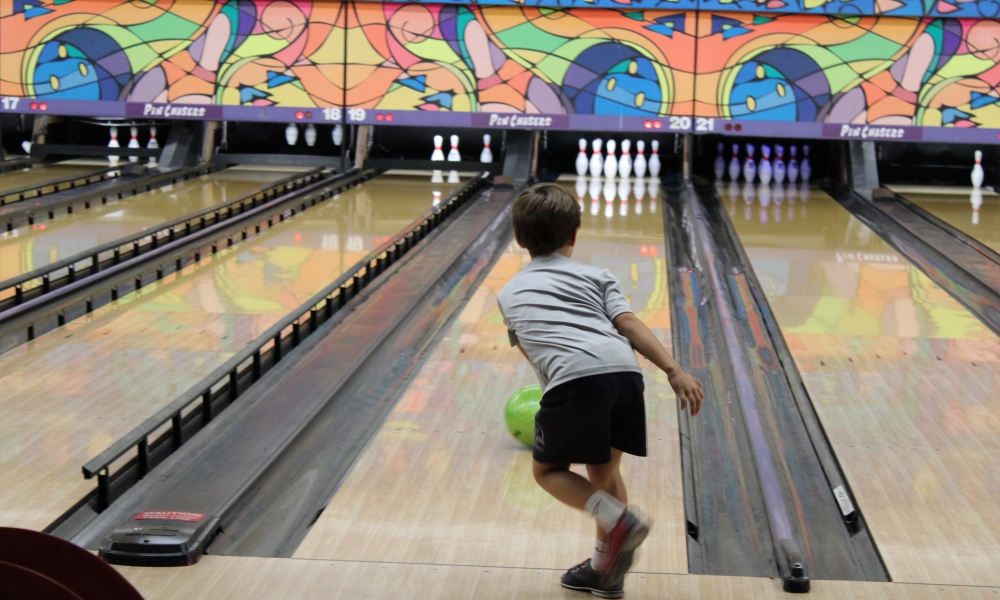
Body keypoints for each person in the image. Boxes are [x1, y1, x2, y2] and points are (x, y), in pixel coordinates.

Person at [497, 183, 704, 598]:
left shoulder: (508, 293)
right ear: (574, 234)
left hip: (576, 380)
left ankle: (618, 522)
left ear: (519, 238)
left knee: (549, 471)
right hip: (625, 374)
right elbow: (627, 324)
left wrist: (560, 398)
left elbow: (533, 352)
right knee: (605, 474)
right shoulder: (598, 276)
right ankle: (604, 573)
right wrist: (673, 368)